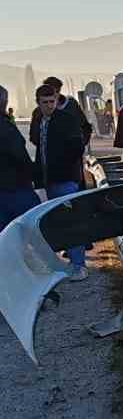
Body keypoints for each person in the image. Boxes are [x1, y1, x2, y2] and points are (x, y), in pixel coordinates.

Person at [32, 83, 87, 279]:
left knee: (70, 221)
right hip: (49, 180)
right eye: (45, 102)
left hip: (65, 179)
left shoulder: (66, 119)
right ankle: (66, 263)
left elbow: (77, 147)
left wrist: (61, 166)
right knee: (57, 222)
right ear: (38, 103)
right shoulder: (39, 119)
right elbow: (40, 149)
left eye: (52, 102)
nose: (49, 106)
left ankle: (79, 265)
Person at [0, 84, 41, 230]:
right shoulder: (6, 128)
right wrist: (36, 174)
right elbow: (20, 157)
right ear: (5, 103)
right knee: (34, 228)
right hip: (15, 189)